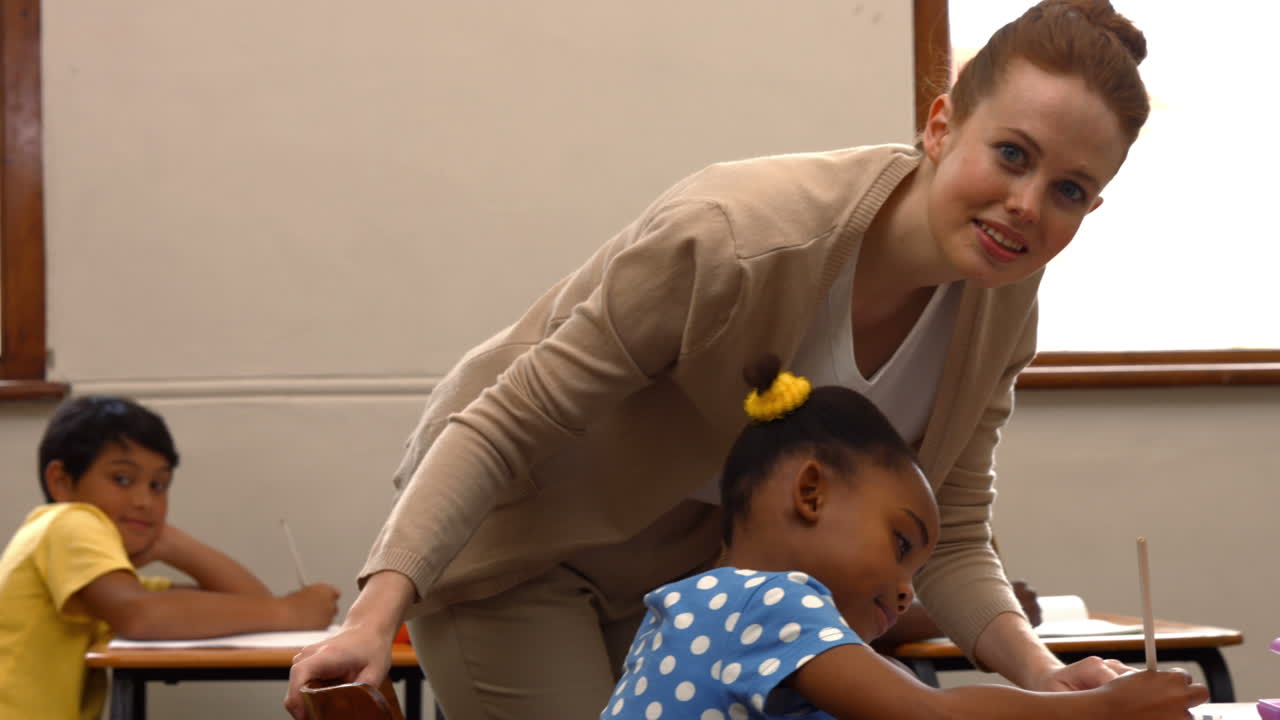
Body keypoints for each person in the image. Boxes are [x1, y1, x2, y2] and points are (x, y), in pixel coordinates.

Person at [286, 1, 1152, 717]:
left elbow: (954, 534)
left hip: (686, 577)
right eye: (1012, 154)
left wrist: (1042, 672)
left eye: (1069, 191)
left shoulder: (1003, 306)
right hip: (519, 542)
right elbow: (506, 424)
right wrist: (372, 621)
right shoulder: (739, 236)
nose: (1025, 205)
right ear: (940, 125)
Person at [600, 358, 1206, 719]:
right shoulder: (767, 601)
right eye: (899, 547)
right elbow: (932, 713)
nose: (903, 594)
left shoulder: (699, 608)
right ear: (810, 493)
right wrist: (1097, 711)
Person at [0, 395, 341, 720]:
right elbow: (142, 616)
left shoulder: (99, 580)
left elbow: (248, 604)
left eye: (158, 486)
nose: (144, 501)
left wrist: (172, 543)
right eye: (122, 479)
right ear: (62, 481)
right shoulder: (69, 521)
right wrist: (289, 611)